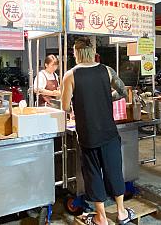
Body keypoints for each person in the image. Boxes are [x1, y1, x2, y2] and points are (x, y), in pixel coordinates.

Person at [61, 37, 135, 225]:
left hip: (87, 134)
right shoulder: (107, 70)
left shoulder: (70, 75)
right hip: (109, 131)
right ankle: (121, 212)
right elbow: (122, 92)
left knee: (93, 173)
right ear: (93, 51)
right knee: (114, 170)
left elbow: (65, 106)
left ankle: (101, 217)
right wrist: (104, 98)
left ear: (76, 53)